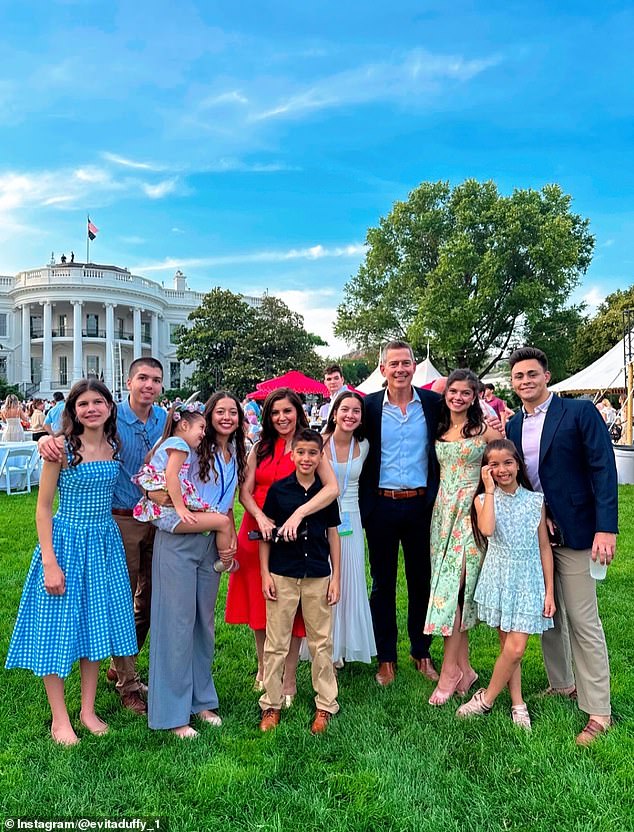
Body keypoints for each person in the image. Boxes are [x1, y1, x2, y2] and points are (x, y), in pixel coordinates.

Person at [5, 379, 137, 745]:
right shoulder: (60, 449)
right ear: (73, 411)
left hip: (103, 543)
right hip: (67, 542)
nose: (91, 408)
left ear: (110, 408)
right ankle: (59, 719)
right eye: (83, 403)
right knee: (57, 631)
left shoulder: (114, 445)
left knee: (94, 628)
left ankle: (88, 710)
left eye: (99, 402)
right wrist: (49, 560)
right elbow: (43, 508)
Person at [38, 357, 166, 715]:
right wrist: (45, 441)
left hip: (158, 522)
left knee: (148, 602)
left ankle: (117, 671)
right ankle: (127, 684)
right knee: (113, 603)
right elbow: (49, 492)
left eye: (155, 380)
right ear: (128, 383)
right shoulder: (106, 426)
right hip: (117, 521)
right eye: (142, 378)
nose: (149, 385)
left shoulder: (164, 421)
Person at [506, 347, 618, 745]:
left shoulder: (579, 413)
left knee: (584, 621)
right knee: (548, 614)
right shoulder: (514, 425)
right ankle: (562, 683)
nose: (525, 381)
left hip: (580, 531)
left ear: (547, 376)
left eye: (532, 374)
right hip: (539, 535)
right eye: (518, 376)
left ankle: (599, 710)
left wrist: (606, 528)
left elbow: (604, 469)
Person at [225, 388, 339, 705]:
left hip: (298, 536)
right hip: (259, 531)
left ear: (298, 412)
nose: (281, 418)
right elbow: (244, 491)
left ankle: (289, 678)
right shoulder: (259, 449)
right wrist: (261, 518)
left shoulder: (309, 448)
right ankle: (265, 669)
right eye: (275, 413)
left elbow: (332, 488)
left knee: (297, 611)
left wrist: (300, 513)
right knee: (262, 605)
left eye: (287, 411)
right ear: (268, 417)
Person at [148, 392, 245, 738]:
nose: (227, 417)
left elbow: (228, 501)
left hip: (211, 546)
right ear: (206, 416)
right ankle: (172, 713)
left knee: (203, 623)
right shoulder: (187, 446)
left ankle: (200, 700)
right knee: (176, 624)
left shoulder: (235, 453)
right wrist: (217, 523)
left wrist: (227, 537)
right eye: (220, 411)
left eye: (233, 412)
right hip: (179, 540)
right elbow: (156, 484)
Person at [359, 340, 442, 686]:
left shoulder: (434, 404)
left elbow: (465, 428)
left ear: (413, 366)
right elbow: (341, 438)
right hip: (381, 504)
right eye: (393, 364)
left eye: (405, 363)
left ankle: (421, 651)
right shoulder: (368, 407)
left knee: (421, 581)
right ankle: (386, 657)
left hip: (421, 504)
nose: (400, 369)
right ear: (382, 369)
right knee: (382, 584)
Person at [456, 439, 555, 730]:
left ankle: (485, 699)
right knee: (506, 647)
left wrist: (549, 590)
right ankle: (517, 703)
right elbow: (486, 530)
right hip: (498, 577)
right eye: (494, 465)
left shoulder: (535, 501)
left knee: (516, 649)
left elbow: (544, 548)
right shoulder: (484, 500)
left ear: (518, 465)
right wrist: (487, 489)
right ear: (487, 469)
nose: (502, 470)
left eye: (508, 463)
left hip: (528, 579)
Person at [424, 369, 499, 705]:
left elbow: (506, 466)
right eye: (453, 392)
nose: (457, 397)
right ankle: (465, 669)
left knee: (455, 589)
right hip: (442, 514)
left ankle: (449, 672)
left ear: (475, 396)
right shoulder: (440, 428)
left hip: (470, 513)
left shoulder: (486, 431)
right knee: (447, 586)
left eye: (465, 393)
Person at [258, 429, 341, 734]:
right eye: (301, 452)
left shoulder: (325, 494)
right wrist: (265, 573)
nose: (306, 458)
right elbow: (265, 537)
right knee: (276, 642)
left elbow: (333, 534)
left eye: (312, 453)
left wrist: (336, 577)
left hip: (318, 573)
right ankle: (271, 703)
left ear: (320, 457)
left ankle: (325, 704)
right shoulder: (278, 491)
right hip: (283, 573)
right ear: (292, 454)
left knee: (321, 642)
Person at [132, 401, 238, 572]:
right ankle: (226, 562)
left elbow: (148, 463)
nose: (204, 433)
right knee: (223, 522)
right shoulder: (180, 445)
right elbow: (172, 476)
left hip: (163, 512)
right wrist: (181, 508)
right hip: (171, 513)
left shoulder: (169, 443)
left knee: (218, 518)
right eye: (201, 428)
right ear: (184, 425)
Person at [322, 392, 376, 666]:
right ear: (334, 413)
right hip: (323, 518)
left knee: (349, 579)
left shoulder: (364, 445)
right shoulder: (320, 443)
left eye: (356, 411)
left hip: (351, 520)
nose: (350, 415)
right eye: (345, 409)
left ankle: (344, 645)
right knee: (326, 577)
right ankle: (325, 644)